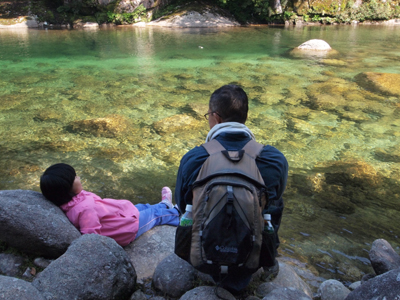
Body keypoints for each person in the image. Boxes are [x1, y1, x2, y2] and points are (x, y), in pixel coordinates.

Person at [175, 84, 288, 293]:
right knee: (274, 201)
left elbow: (182, 205)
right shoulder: (274, 160)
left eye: (207, 115)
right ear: (244, 117)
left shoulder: (194, 158)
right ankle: (263, 258)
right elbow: (273, 205)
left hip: (202, 258)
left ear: (215, 117)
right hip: (250, 260)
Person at [40, 163, 180, 246]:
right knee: (154, 216)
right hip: (127, 228)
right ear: (68, 188)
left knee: (143, 207)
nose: (79, 177)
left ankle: (164, 204)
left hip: (119, 215)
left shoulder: (71, 200)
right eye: (75, 177)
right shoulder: (85, 210)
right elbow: (90, 236)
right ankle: (177, 214)